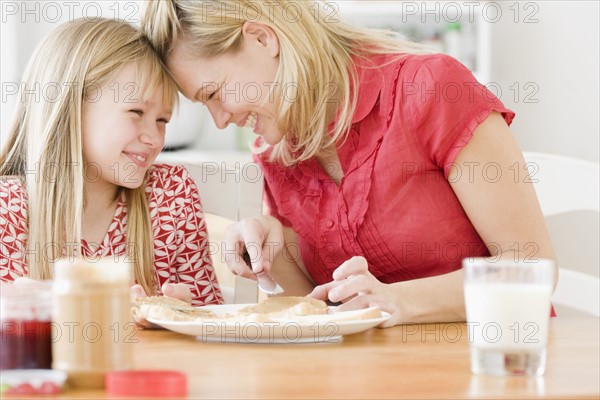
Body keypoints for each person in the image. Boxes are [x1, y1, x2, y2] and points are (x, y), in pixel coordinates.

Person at [141, 0, 556, 326]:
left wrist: (400, 302)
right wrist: (277, 244)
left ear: (263, 39)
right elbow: (317, 308)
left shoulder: (430, 87)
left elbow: (532, 269)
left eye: (214, 92)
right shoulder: (275, 151)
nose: (220, 118)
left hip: (490, 365)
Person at [0, 18, 223, 307]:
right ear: (71, 106)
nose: (155, 139)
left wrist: (186, 316)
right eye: (136, 111)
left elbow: (213, 323)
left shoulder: (171, 194)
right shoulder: (9, 209)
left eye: (162, 120)